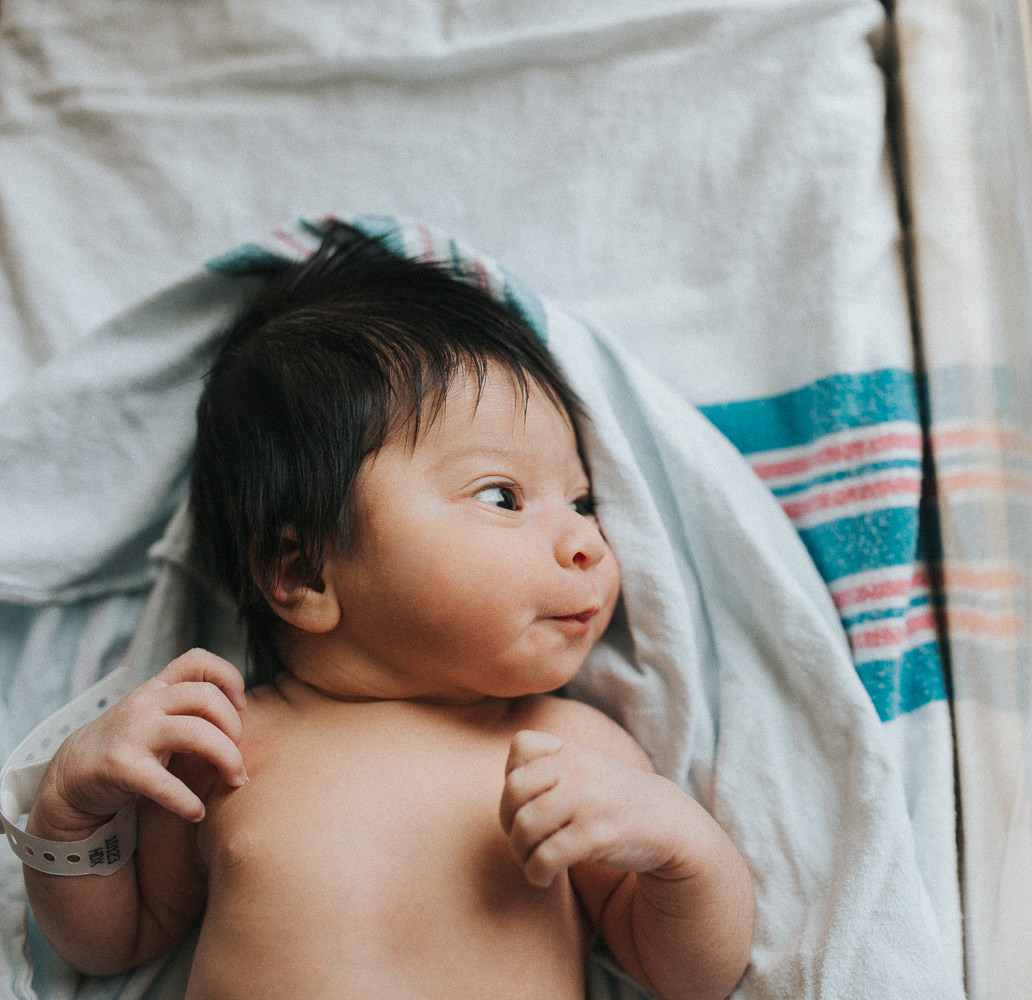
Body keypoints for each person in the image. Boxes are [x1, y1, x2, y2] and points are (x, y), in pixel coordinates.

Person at [20, 227, 756, 999]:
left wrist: (684, 851)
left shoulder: (566, 749)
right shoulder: (223, 748)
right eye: (503, 495)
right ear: (303, 571)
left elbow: (691, 977)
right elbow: (114, 941)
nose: (588, 542)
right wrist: (68, 816)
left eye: (583, 502)